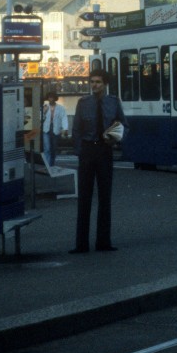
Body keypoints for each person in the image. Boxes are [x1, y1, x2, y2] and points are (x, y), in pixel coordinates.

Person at [70, 71, 127, 254]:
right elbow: (76, 129)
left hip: (104, 150)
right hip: (87, 151)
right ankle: (81, 244)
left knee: (105, 198)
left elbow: (123, 124)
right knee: (84, 198)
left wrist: (114, 138)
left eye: (98, 82)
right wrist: (80, 152)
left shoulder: (113, 102)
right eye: (92, 82)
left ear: (105, 84)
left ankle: (103, 242)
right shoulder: (83, 103)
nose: (94, 85)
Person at [40, 91, 69, 168]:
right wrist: (44, 112)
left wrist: (65, 128)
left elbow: (64, 118)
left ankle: (52, 164)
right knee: (47, 148)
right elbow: (40, 119)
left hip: (56, 130)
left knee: (53, 149)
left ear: (55, 98)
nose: (50, 99)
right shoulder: (45, 107)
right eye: (49, 97)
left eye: (52, 97)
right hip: (46, 129)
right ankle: (47, 166)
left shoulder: (60, 108)